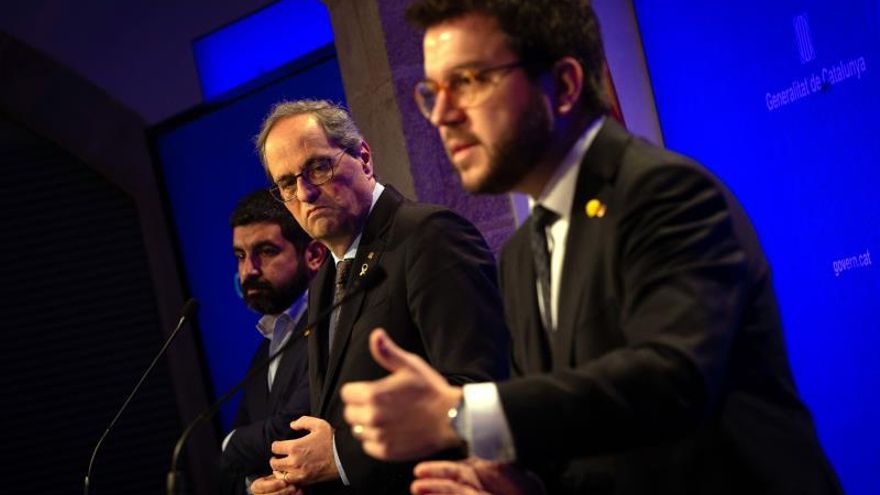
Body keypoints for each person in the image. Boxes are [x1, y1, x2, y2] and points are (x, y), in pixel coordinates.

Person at [338, 1, 843, 494]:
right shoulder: (519, 256)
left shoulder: (662, 191)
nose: (442, 115)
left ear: (562, 85)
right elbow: (584, 437)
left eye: (469, 81)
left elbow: (673, 381)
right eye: (433, 91)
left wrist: (460, 413)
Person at [248, 99, 509, 495]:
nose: (306, 192)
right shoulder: (324, 280)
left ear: (364, 158)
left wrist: (339, 456)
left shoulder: (429, 236)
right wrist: (303, 478)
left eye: (318, 167)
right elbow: (334, 419)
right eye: (287, 183)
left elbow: (478, 389)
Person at [220, 188, 328, 494]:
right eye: (240, 256)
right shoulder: (264, 352)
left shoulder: (331, 325)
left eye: (266, 252)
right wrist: (255, 487)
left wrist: (230, 443)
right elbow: (232, 470)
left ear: (314, 255)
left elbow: (290, 427)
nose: (248, 271)